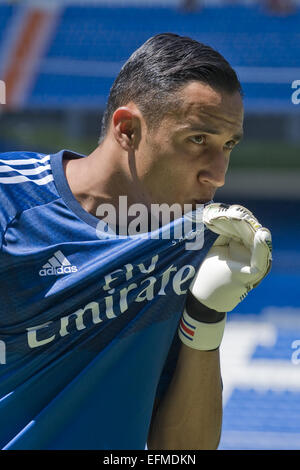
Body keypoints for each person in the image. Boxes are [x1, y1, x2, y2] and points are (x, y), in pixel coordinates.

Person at [0, 33, 272, 450]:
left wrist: (205, 314)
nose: (218, 174)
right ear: (127, 129)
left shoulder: (193, 247)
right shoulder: (10, 201)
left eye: (228, 145)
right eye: (198, 140)